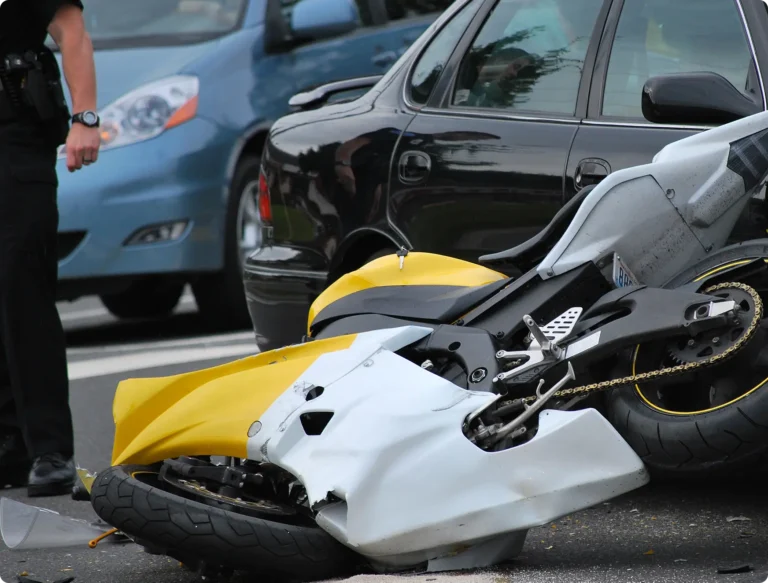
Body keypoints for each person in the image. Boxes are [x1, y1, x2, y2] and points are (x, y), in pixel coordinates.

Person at [0, 0, 100, 496]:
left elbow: (69, 28)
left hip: (13, 130)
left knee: (22, 278)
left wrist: (85, 117)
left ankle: (49, 449)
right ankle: (8, 445)